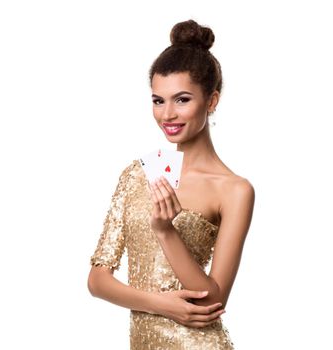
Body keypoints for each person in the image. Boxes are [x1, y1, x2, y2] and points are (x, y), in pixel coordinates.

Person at [87, 19, 255, 349]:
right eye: (158, 100)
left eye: (182, 100)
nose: (167, 115)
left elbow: (211, 302)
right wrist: (161, 304)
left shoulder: (234, 189)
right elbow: (97, 279)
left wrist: (166, 231)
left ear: (211, 101)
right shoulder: (139, 173)